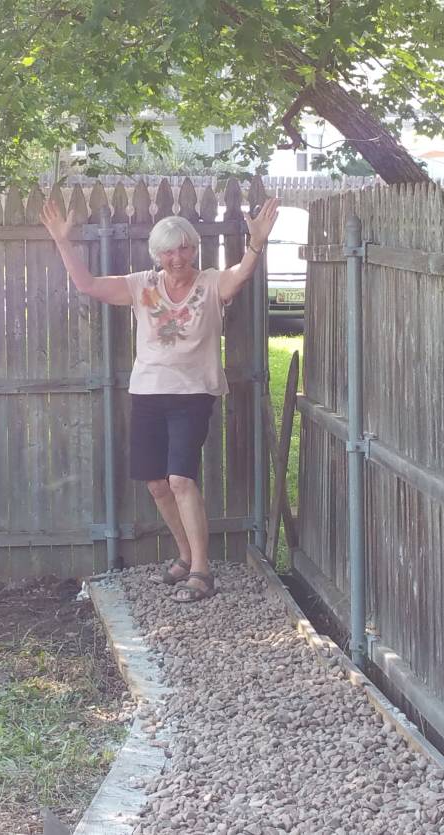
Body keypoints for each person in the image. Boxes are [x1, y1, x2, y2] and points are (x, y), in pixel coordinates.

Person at [41, 195, 279, 602]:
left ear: (194, 249)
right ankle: (185, 556)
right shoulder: (142, 285)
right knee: (156, 484)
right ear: (158, 255)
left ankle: (202, 571)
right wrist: (63, 241)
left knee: (180, 479)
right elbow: (88, 285)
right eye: (169, 251)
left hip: (193, 394)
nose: (177, 257)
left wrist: (256, 243)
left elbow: (239, 275)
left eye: (184, 248)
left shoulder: (210, 283)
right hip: (148, 393)